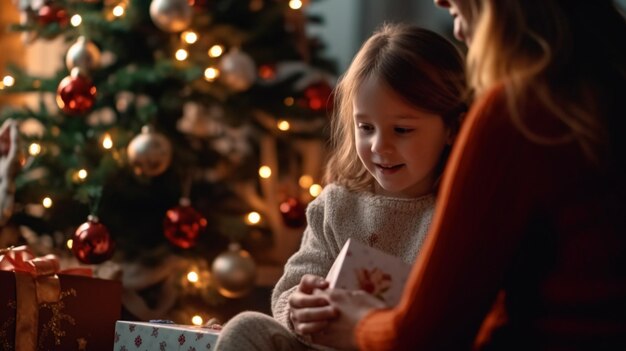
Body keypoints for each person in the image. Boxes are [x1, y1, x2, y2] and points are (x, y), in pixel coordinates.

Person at [315, 0, 626, 350]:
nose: (440, 2)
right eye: (365, 126)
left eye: (402, 129)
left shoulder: (519, 115)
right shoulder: (605, 92)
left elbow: (424, 336)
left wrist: (358, 324)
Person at [214, 23, 467, 351]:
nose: (379, 146)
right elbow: (289, 291)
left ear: (452, 128)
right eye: (365, 127)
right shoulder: (337, 205)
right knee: (246, 328)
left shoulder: (457, 211)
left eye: (402, 130)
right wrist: (300, 307)